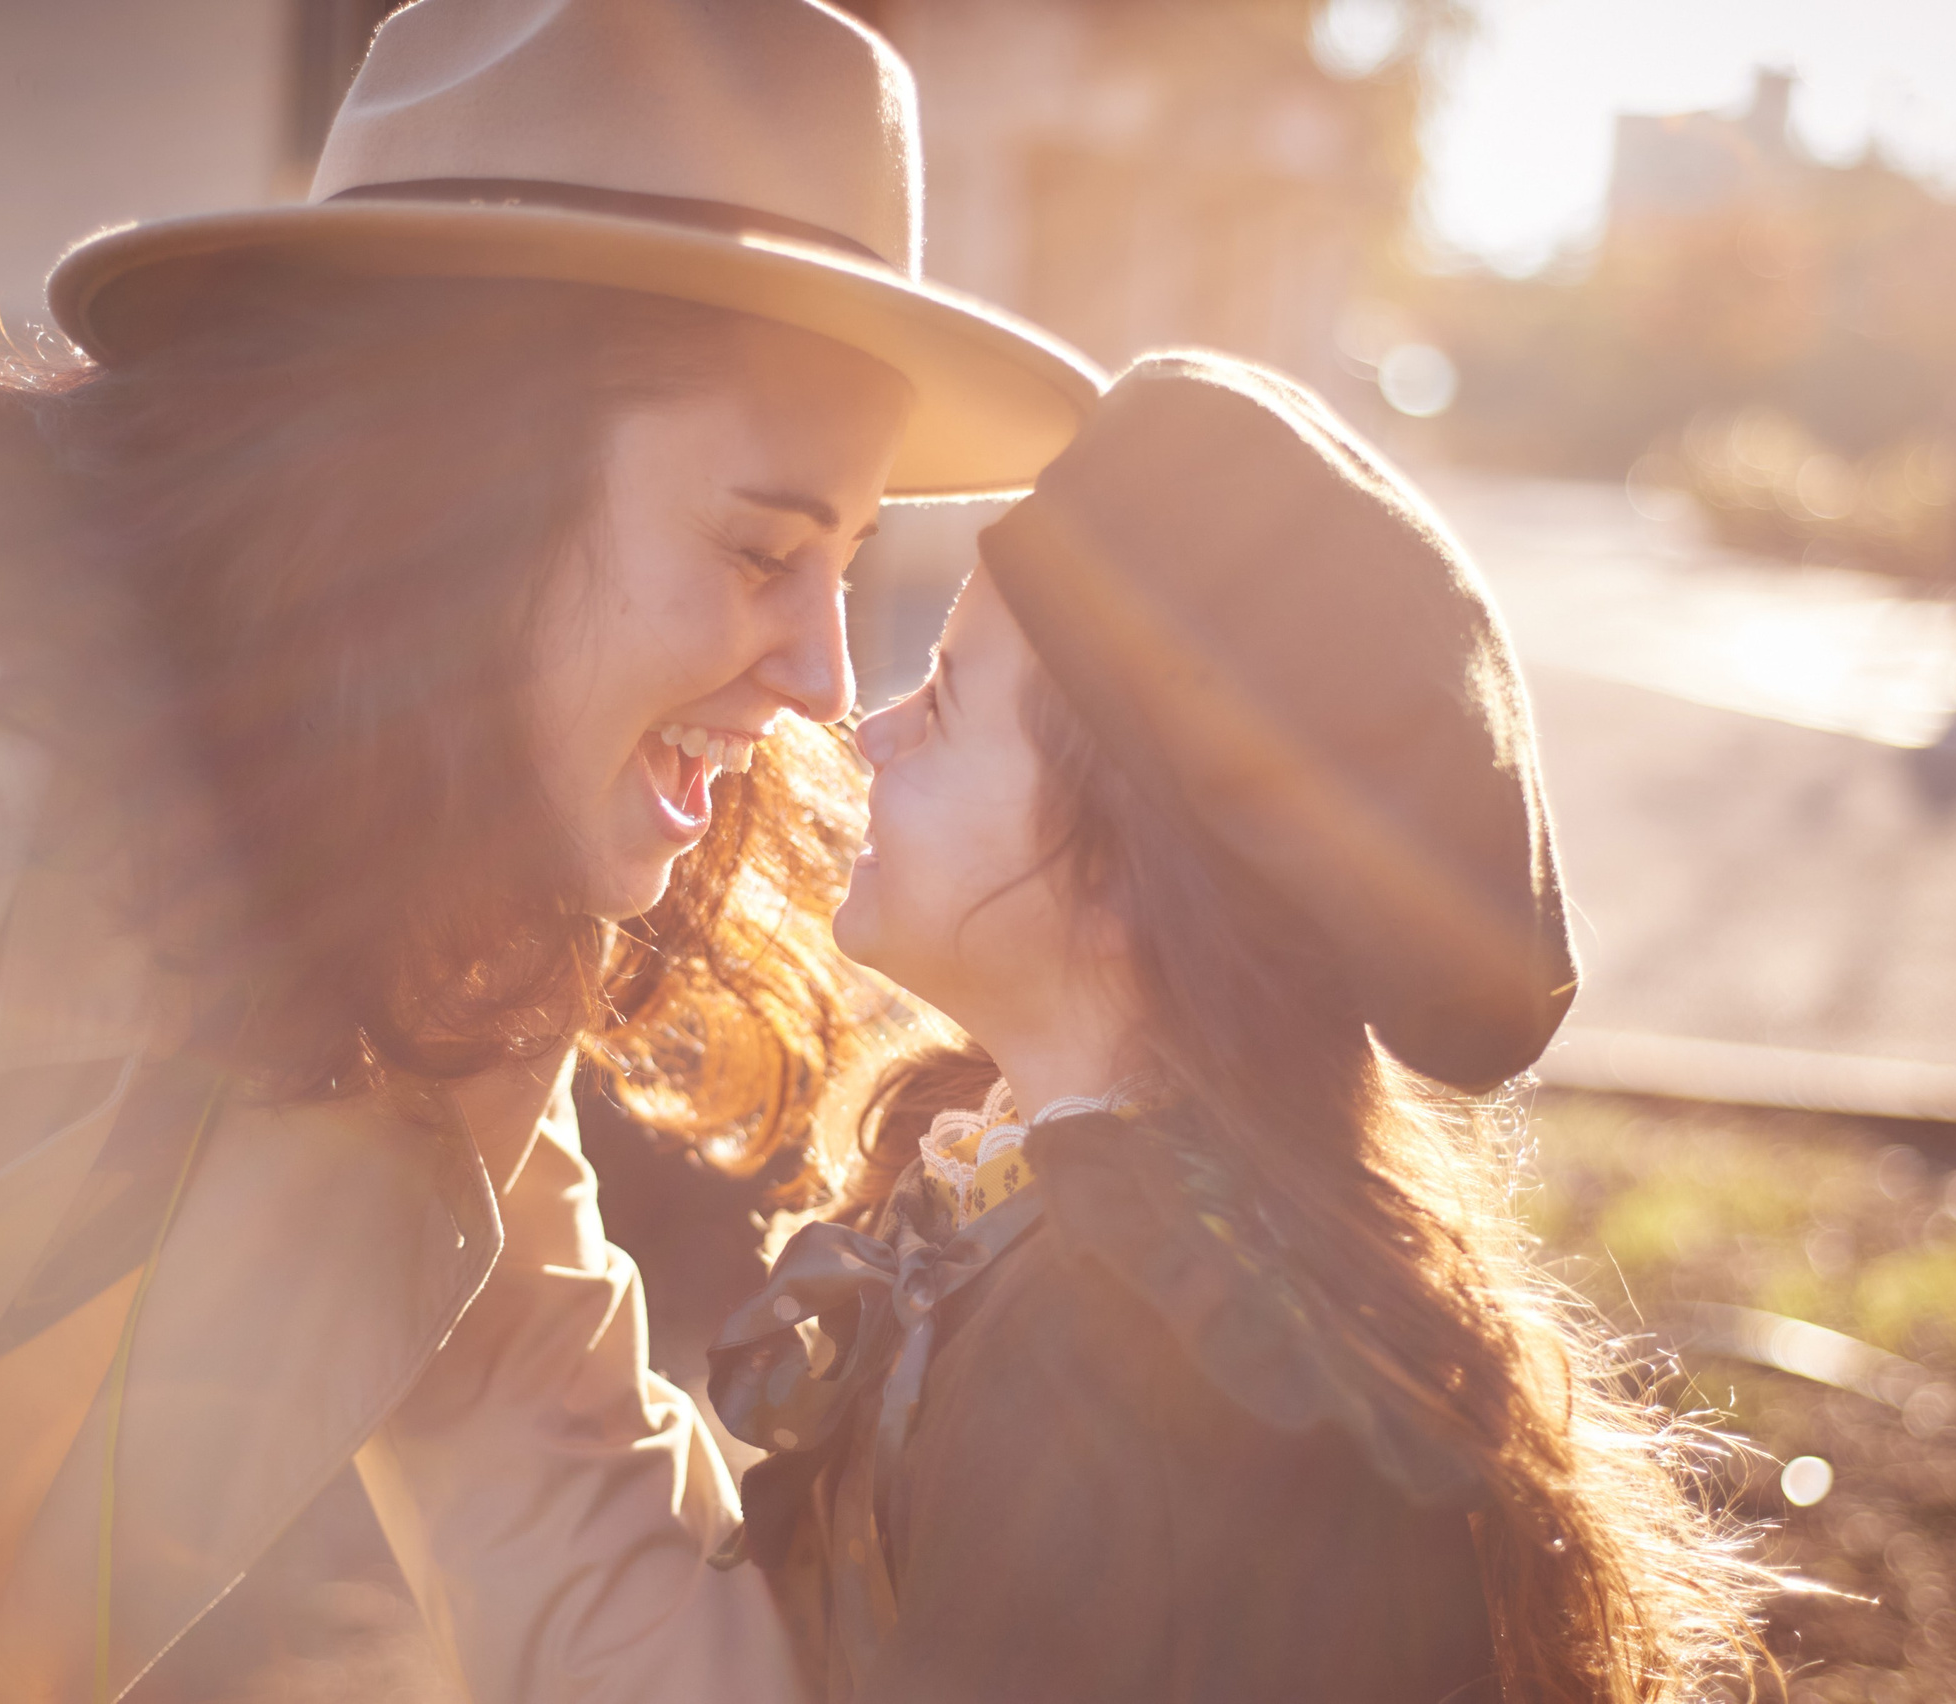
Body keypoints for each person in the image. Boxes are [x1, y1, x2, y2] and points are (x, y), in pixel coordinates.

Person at [0, 1, 1098, 1699]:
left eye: (844, 565)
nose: (822, 679)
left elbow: (568, 1498)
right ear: (448, 494)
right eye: (760, 549)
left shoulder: (439, 951)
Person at [710, 356, 1770, 1702]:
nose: (869, 732)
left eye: (946, 700)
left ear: (1123, 881)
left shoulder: (1143, 1379)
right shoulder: (1077, 1218)